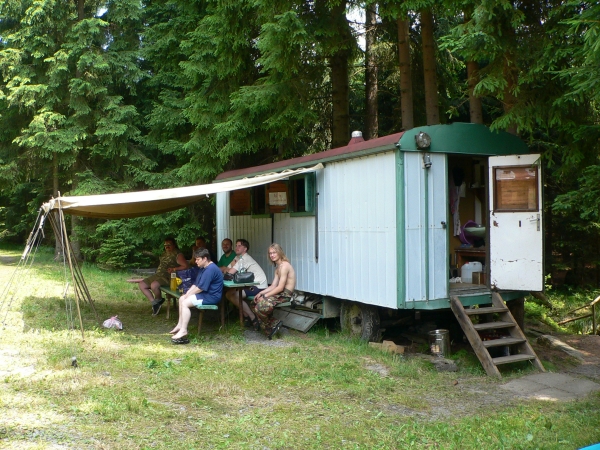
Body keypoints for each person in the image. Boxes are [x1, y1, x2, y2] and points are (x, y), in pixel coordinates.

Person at [170, 248, 223, 344]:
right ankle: (180, 325)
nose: (195, 261)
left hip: (211, 297)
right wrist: (187, 294)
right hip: (205, 294)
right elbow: (195, 284)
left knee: (185, 303)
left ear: (205, 258)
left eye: (198, 259)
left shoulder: (210, 269)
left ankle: (183, 330)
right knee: (182, 298)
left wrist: (189, 295)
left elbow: (200, 288)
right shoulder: (203, 267)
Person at [252, 244, 296, 339]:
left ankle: (272, 324)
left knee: (260, 306)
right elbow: (273, 286)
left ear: (279, 252)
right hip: (279, 294)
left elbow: (280, 288)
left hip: (285, 295)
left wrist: (265, 296)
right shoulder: (278, 268)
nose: (272, 255)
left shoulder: (285, 266)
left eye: (274, 252)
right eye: (270, 253)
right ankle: (271, 326)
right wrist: (261, 293)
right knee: (254, 302)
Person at [138, 238, 189, 316]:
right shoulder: (164, 253)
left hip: (169, 276)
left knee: (154, 285)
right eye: (165, 245)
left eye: (169, 245)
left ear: (174, 245)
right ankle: (155, 303)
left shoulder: (178, 254)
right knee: (142, 284)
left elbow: (185, 266)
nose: (167, 247)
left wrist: (174, 269)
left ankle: (158, 299)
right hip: (158, 274)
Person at [224, 239, 268, 329]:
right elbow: (227, 270)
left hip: (259, 286)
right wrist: (230, 266)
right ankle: (246, 316)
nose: (236, 247)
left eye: (239, 246)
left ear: (245, 249)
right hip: (250, 285)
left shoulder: (245, 259)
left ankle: (252, 317)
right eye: (236, 245)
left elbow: (229, 273)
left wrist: (229, 270)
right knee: (228, 294)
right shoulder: (239, 258)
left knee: (235, 295)